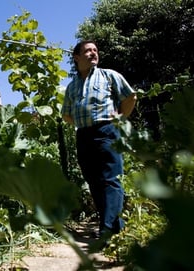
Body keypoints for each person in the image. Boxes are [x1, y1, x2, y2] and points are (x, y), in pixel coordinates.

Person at [61, 40, 137, 239]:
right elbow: (66, 114)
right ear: (77, 57)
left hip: (107, 131)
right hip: (84, 135)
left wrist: (120, 118)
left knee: (111, 179)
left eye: (95, 50)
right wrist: (81, 123)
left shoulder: (109, 76)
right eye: (87, 51)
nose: (93, 53)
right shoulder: (72, 86)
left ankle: (107, 231)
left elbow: (130, 97)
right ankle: (114, 228)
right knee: (94, 181)